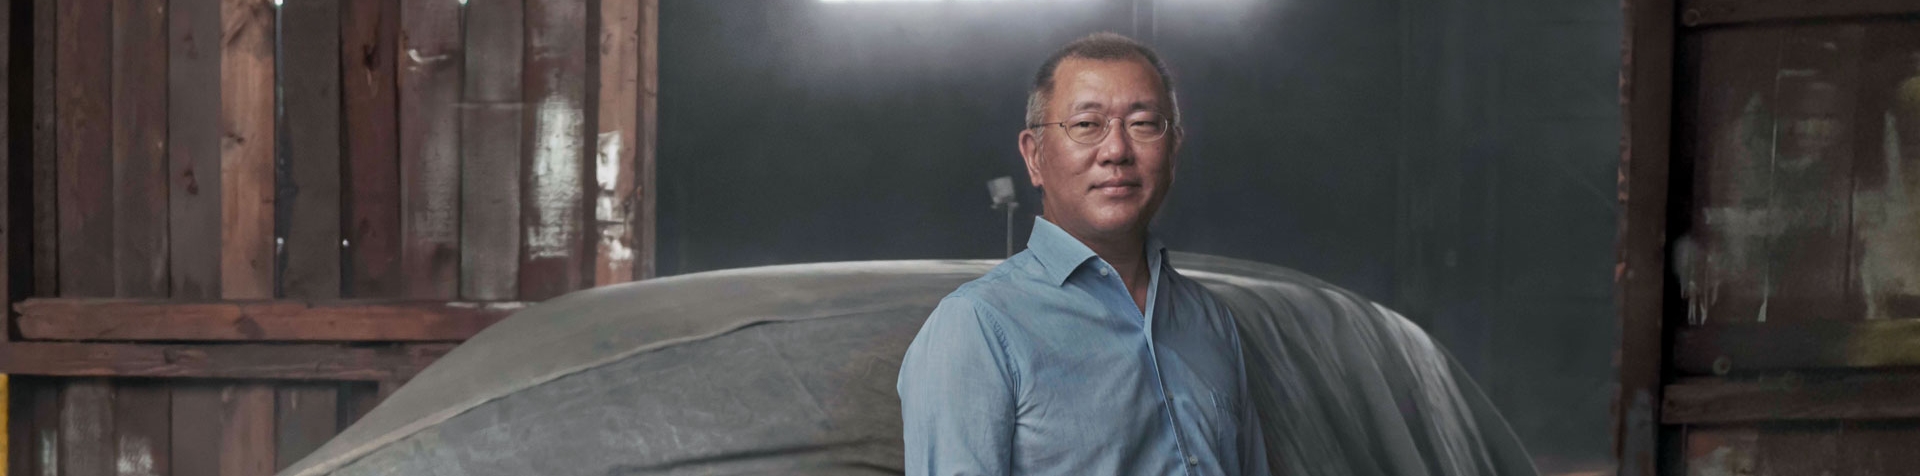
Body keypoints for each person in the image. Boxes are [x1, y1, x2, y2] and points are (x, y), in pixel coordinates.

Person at [897, 32, 1270, 475]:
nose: (1116, 151)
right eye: (1087, 124)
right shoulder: (976, 327)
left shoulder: (1210, 319)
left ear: (1173, 152)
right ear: (1034, 157)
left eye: (1144, 124)